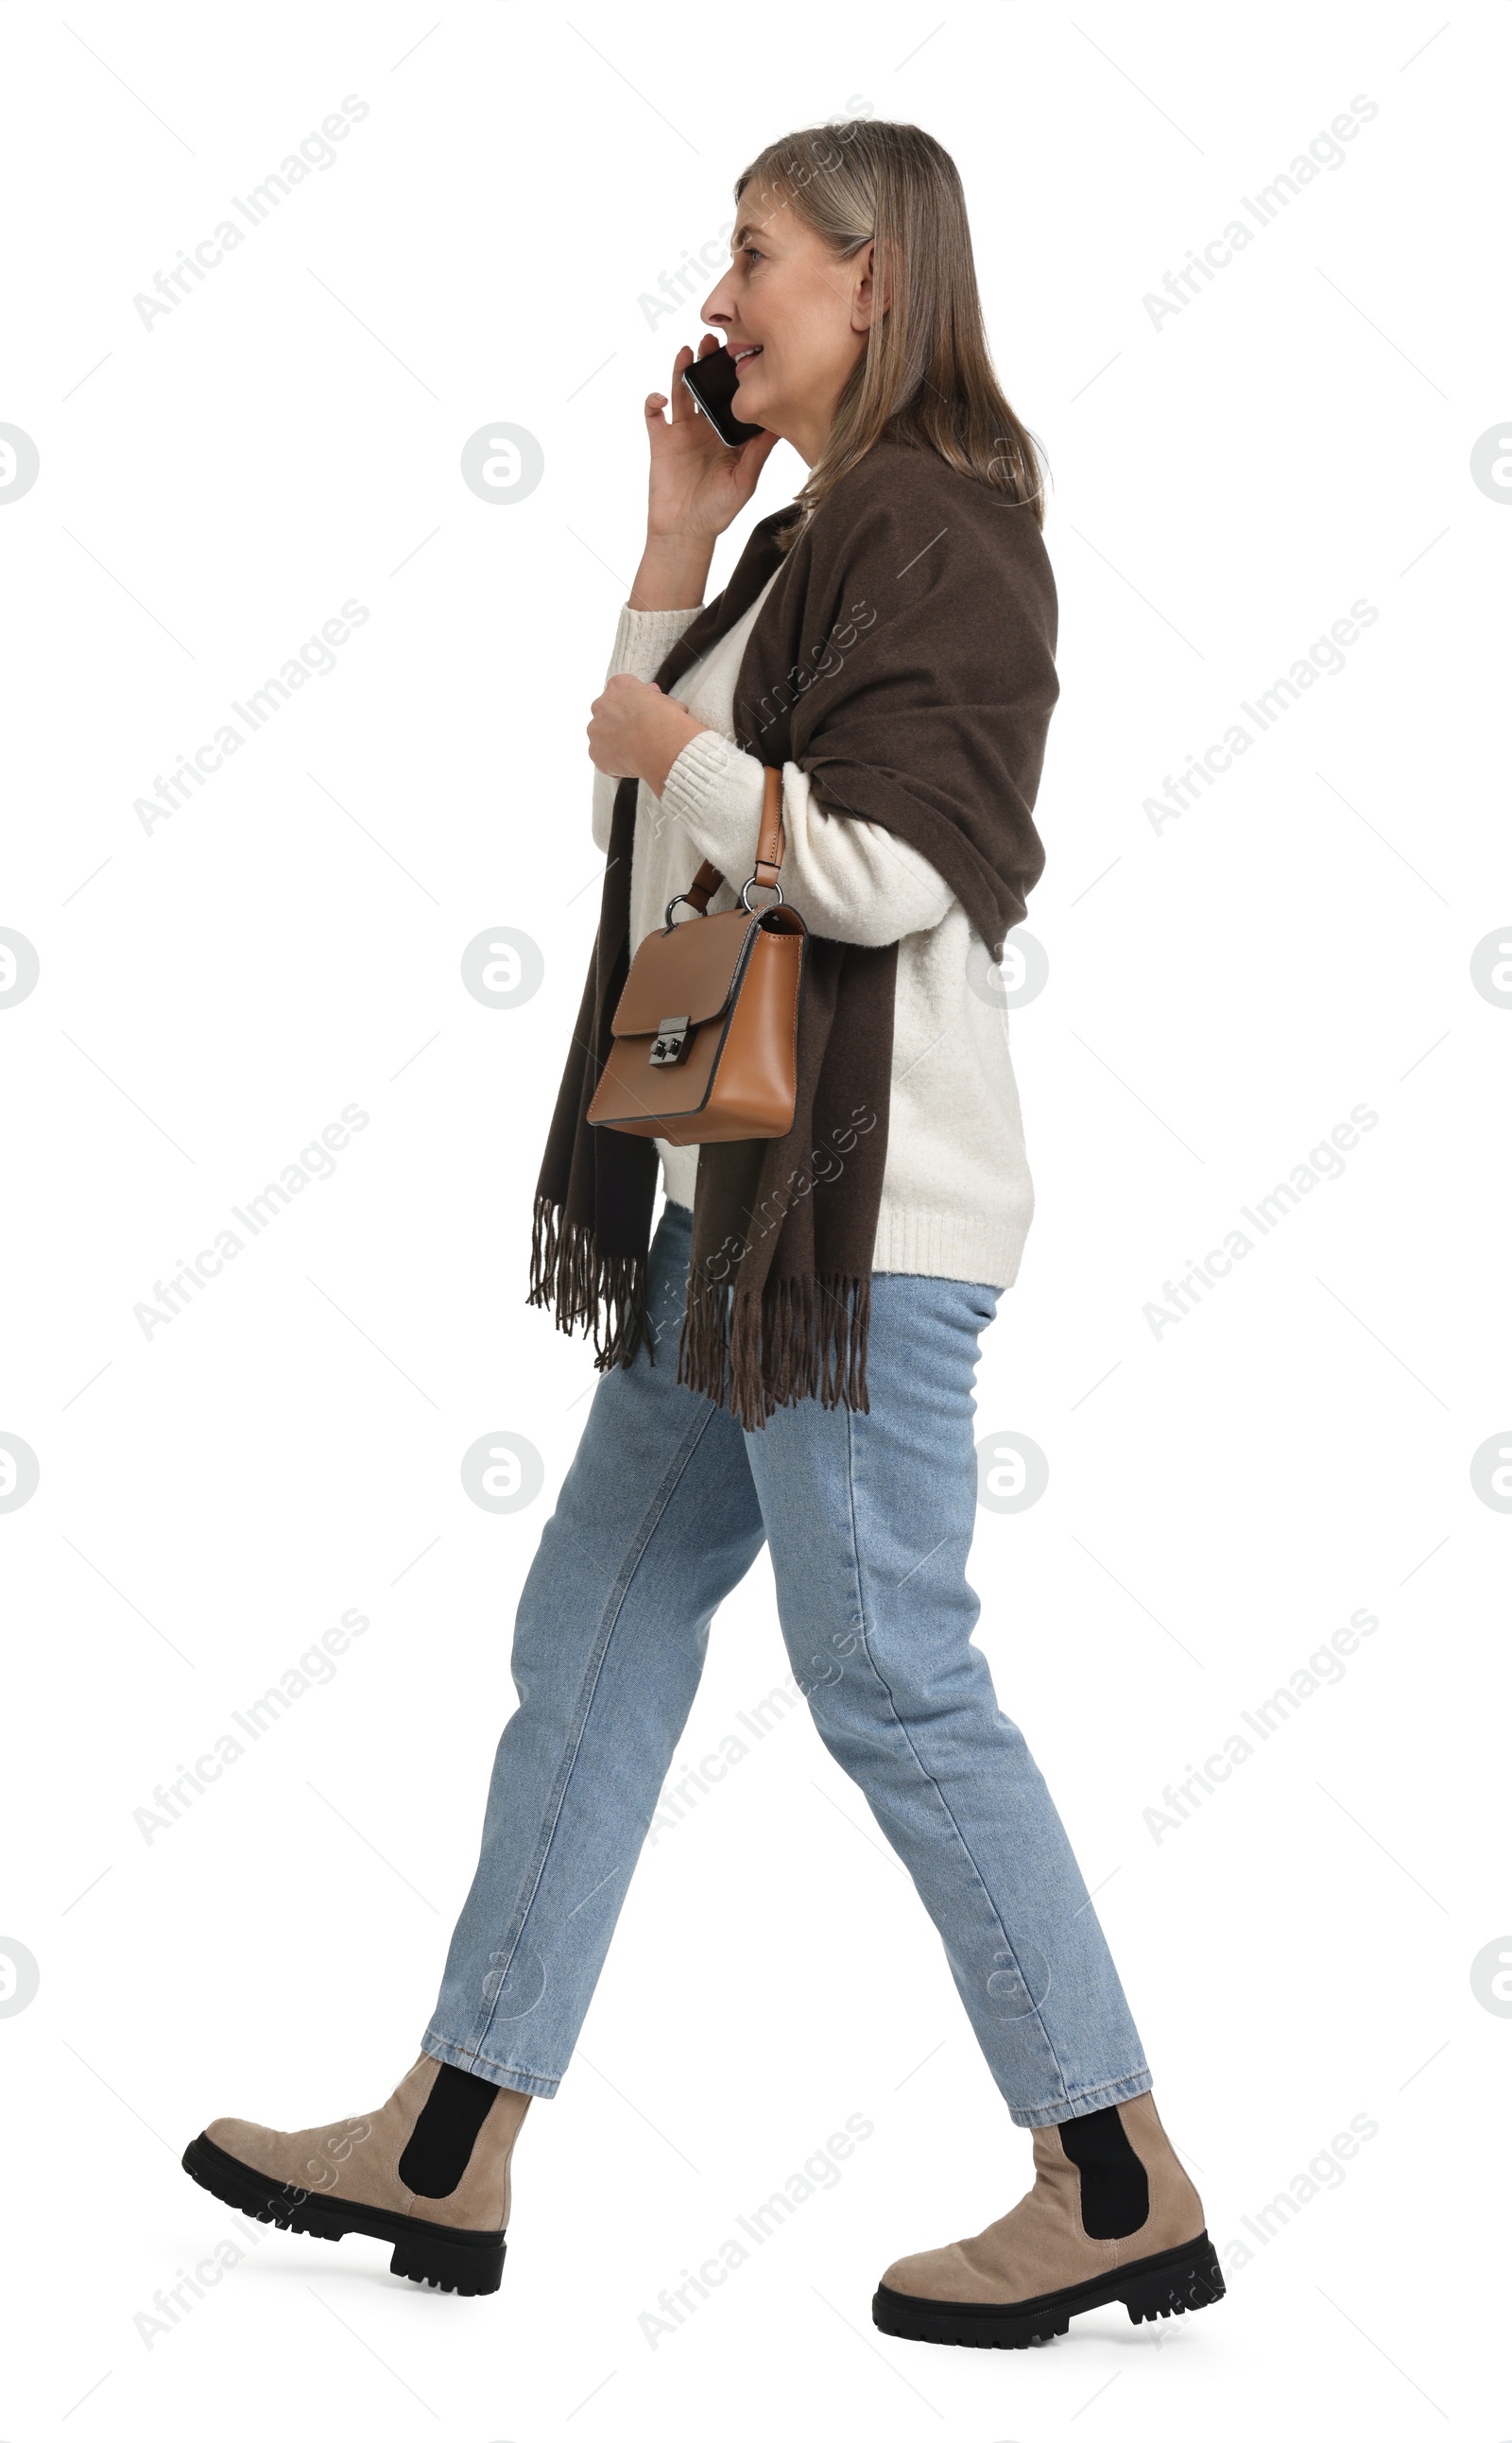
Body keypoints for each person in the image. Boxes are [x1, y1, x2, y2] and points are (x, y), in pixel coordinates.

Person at [182, 118, 1225, 2351]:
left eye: (755, 251)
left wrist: (678, 738)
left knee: (887, 1675)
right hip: (717, 1215)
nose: (724, 288)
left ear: (872, 280)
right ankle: (453, 2140)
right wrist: (676, 553)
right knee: (594, 1632)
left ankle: (1110, 2168)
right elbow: (626, 817)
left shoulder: (945, 533)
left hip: (850, 1230)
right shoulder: (806, 537)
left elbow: (882, 875)